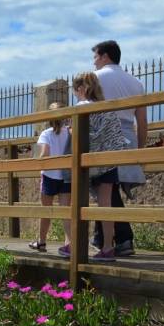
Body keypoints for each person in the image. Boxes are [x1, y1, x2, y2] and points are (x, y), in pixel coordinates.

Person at [59, 73, 129, 261]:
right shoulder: (106, 107)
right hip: (108, 160)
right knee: (106, 204)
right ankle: (108, 247)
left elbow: (78, 134)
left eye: (75, 91)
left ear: (81, 89)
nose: (75, 94)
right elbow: (114, 134)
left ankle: (74, 245)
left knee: (77, 204)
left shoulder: (81, 107)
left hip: (89, 161)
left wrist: (71, 130)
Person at [90, 40, 147, 256]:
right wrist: (140, 149)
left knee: (104, 186)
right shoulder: (136, 83)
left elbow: (88, 111)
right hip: (128, 136)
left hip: (104, 135)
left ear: (105, 56)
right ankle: (101, 238)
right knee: (108, 189)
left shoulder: (95, 78)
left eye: (95, 57)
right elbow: (142, 121)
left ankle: (123, 238)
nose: (94, 62)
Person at [29, 103, 71, 253]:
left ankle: (41, 242)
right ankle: (69, 244)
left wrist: (37, 160)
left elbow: (44, 154)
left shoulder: (46, 134)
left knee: (45, 211)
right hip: (66, 175)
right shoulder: (70, 132)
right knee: (66, 212)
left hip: (49, 175)